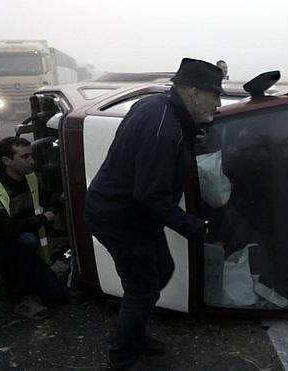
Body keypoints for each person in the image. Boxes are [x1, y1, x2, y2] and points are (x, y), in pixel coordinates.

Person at [84, 58, 223, 371]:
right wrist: (195, 227)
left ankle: (130, 334)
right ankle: (122, 358)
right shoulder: (164, 128)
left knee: (161, 270)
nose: (218, 101)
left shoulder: (159, 106)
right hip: (119, 217)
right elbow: (149, 195)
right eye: (214, 95)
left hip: (130, 213)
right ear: (195, 93)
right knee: (143, 287)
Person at [0, 137, 66, 320]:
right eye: (24, 156)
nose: (31, 161)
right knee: (26, 241)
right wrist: (41, 219)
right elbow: (7, 229)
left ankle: (23, 287)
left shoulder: (30, 177)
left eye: (31, 155)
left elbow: (47, 197)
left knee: (56, 297)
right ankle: (16, 296)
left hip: (25, 249)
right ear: (7, 161)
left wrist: (60, 198)